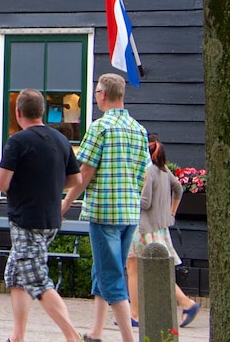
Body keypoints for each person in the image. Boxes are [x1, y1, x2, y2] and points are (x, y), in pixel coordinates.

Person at [61, 73, 150, 342]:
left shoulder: (100, 128)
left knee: (111, 275)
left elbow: (84, 172)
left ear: (102, 94)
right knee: (104, 268)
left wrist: (64, 203)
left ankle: (128, 338)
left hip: (103, 211)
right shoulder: (139, 130)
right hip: (129, 213)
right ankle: (96, 331)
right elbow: (144, 174)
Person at [0, 89, 82, 342]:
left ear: (18, 113)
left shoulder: (18, 141)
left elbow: (0, 183)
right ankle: (17, 336)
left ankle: (73, 336)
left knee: (36, 279)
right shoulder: (61, 140)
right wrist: (48, 184)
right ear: (42, 112)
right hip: (51, 218)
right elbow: (75, 179)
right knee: (15, 274)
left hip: (26, 220)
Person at [126, 134, 200, 327]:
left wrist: (129, 199)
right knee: (158, 268)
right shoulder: (164, 170)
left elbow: (145, 202)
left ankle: (135, 314)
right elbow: (179, 189)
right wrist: (172, 211)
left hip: (143, 227)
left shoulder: (147, 172)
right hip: (160, 227)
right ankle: (185, 303)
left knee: (133, 268)